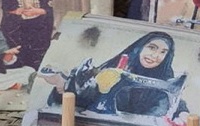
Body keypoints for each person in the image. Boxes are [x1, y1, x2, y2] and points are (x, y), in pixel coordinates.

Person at [44, 32, 188, 117]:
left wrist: (183, 113)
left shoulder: (164, 77)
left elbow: (174, 100)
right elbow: (86, 93)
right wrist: (62, 86)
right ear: (139, 48)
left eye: (163, 52)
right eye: (152, 48)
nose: (155, 56)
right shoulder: (115, 67)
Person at [1, 0, 54, 70]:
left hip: (37, 27)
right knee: (19, 48)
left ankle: (34, 68)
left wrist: (38, 11)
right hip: (18, 27)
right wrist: (16, 11)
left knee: (36, 50)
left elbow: (48, 9)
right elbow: (6, 8)